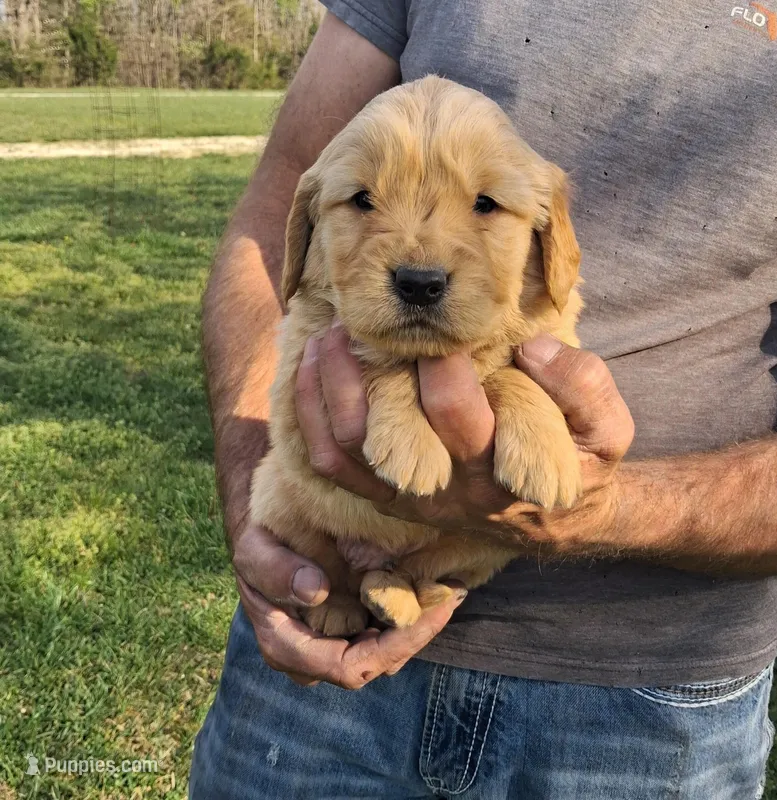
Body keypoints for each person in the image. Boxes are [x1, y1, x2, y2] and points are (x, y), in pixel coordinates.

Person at [189, 3, 777, 797]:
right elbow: (276, 209)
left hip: (650, 698)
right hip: (309, 653)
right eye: (366, 202)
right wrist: (268, 520)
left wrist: (609, 509)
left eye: (484, 208)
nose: (422, 255)